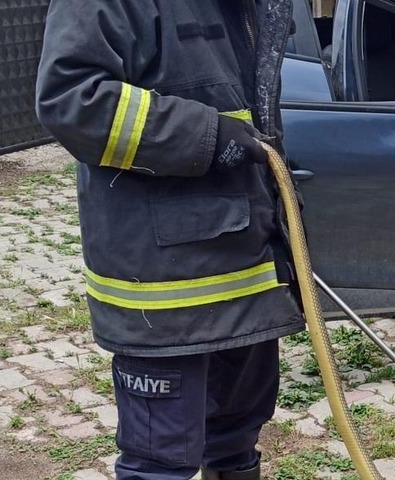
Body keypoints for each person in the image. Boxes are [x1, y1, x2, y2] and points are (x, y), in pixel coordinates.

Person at [35, 1, 303, 479]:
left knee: (236, 440)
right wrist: (208, 135)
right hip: (168, 291)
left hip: (246, 270)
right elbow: (74, 99)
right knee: (160, 461)